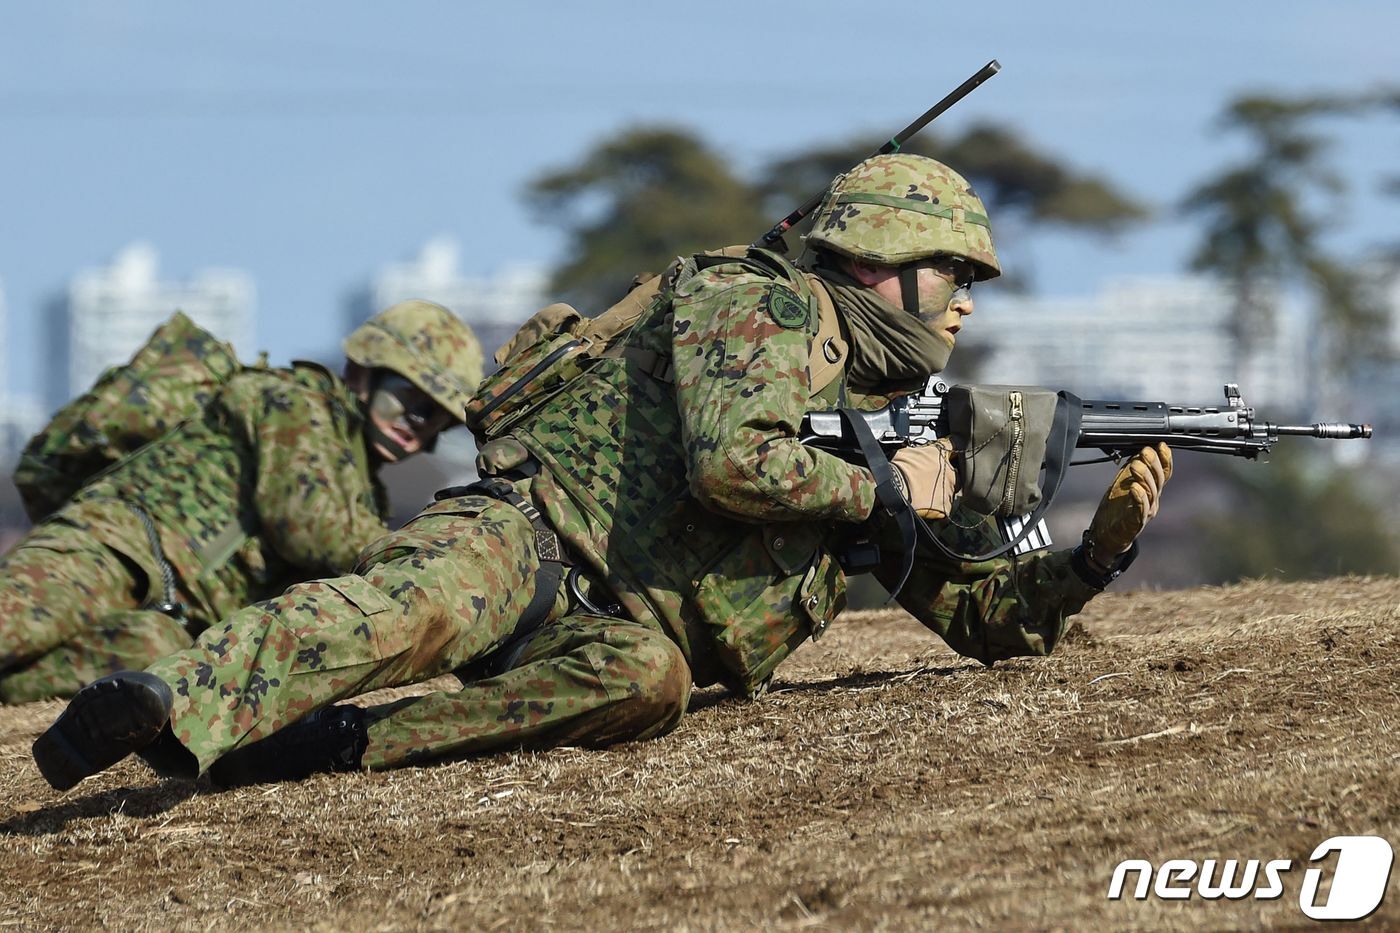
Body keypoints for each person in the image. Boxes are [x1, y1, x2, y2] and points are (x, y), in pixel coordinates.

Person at [32, 154, 1171, 791]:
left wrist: (1093, 556)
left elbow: (982, 620)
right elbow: (732, 462)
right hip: (527, 538)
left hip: (618, 629)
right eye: (950, 269)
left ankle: (316, 750)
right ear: (877, 262)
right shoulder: (759, 304)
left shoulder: (888, 414)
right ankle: (175, 702)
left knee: (649, 687)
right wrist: (886, 490)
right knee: (405, 609)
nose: (968, 297)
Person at [1, 300, 482, 703]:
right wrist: (427, 565)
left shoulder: (359, 486)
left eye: (435, 416)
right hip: (108, 551)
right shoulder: (293, 403)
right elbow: (311, 527)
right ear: (363, 372)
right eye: (407, 398)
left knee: (141, 666)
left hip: (168, 625)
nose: (416, 421)